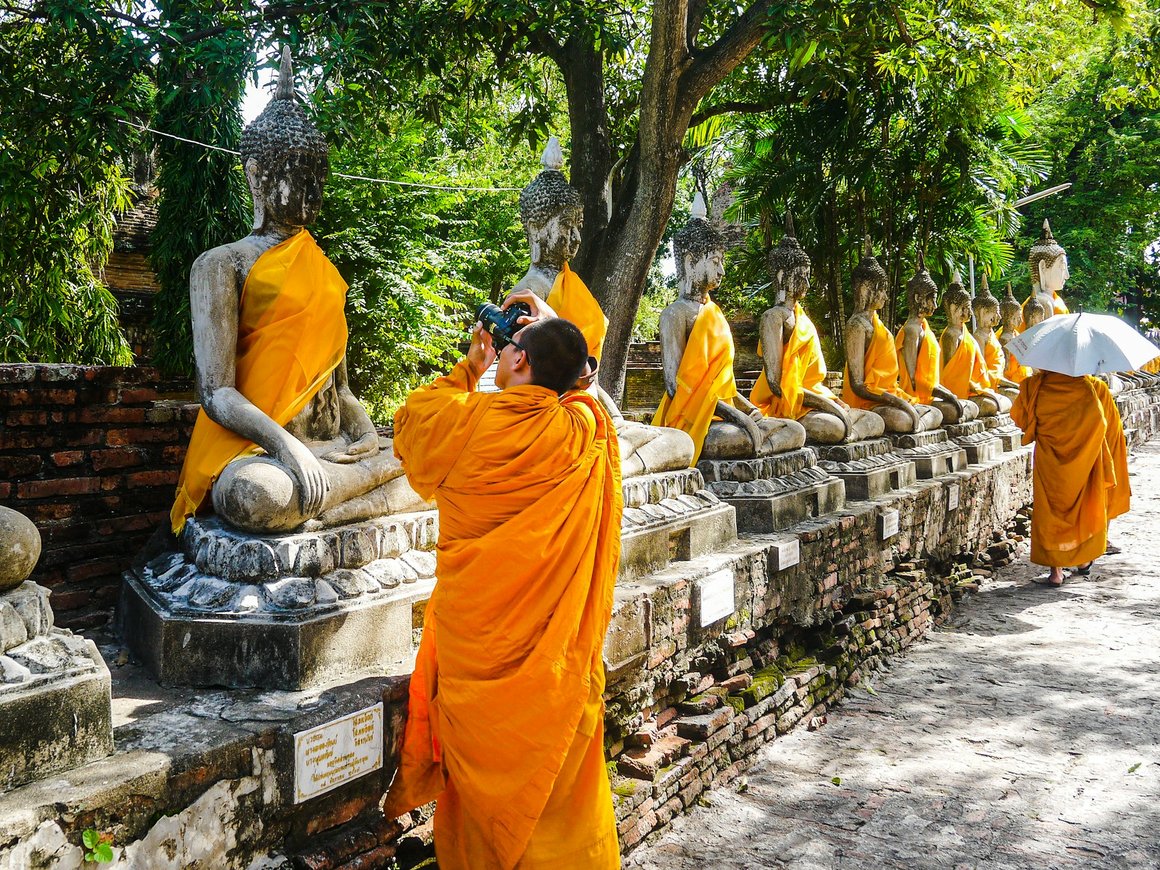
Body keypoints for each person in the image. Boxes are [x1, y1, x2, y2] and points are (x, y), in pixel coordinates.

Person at [383, 292, 622, 870]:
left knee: (480, 803)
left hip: (477, 656)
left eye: (513, 348)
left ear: (514, 361)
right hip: (554, 666)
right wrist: (548, 333)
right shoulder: (585, 430)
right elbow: (589, 393)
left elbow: (412, 419)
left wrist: (472, 364)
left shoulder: (468, 422)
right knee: (556, 785)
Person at [1010, 369, 1129, 586]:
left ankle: (1056, 572)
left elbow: (1021, 418)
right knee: (1082, 508)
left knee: (1050, 510)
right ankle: (1083, 561)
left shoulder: (1035, 386)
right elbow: (1101, 424)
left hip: (1049, 459)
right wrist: (1088, 446)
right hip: (1083, 458)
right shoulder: (1089, 387)